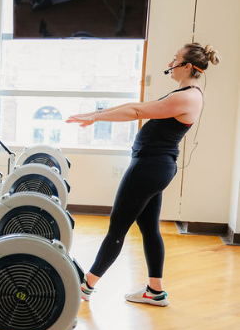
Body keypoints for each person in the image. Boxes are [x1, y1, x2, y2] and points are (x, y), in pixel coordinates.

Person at [67, 43, 220, 307]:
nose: (171, 62)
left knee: (117, 226)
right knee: (149, 227)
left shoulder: (187, 97)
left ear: (186, 66)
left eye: (175, 58)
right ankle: (155, 290)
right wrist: (96, 114)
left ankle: (86, 286)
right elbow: (137, 106)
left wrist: (97, 117)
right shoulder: (188, 92)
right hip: (156, 166)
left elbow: (136, 111)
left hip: (149, 167)